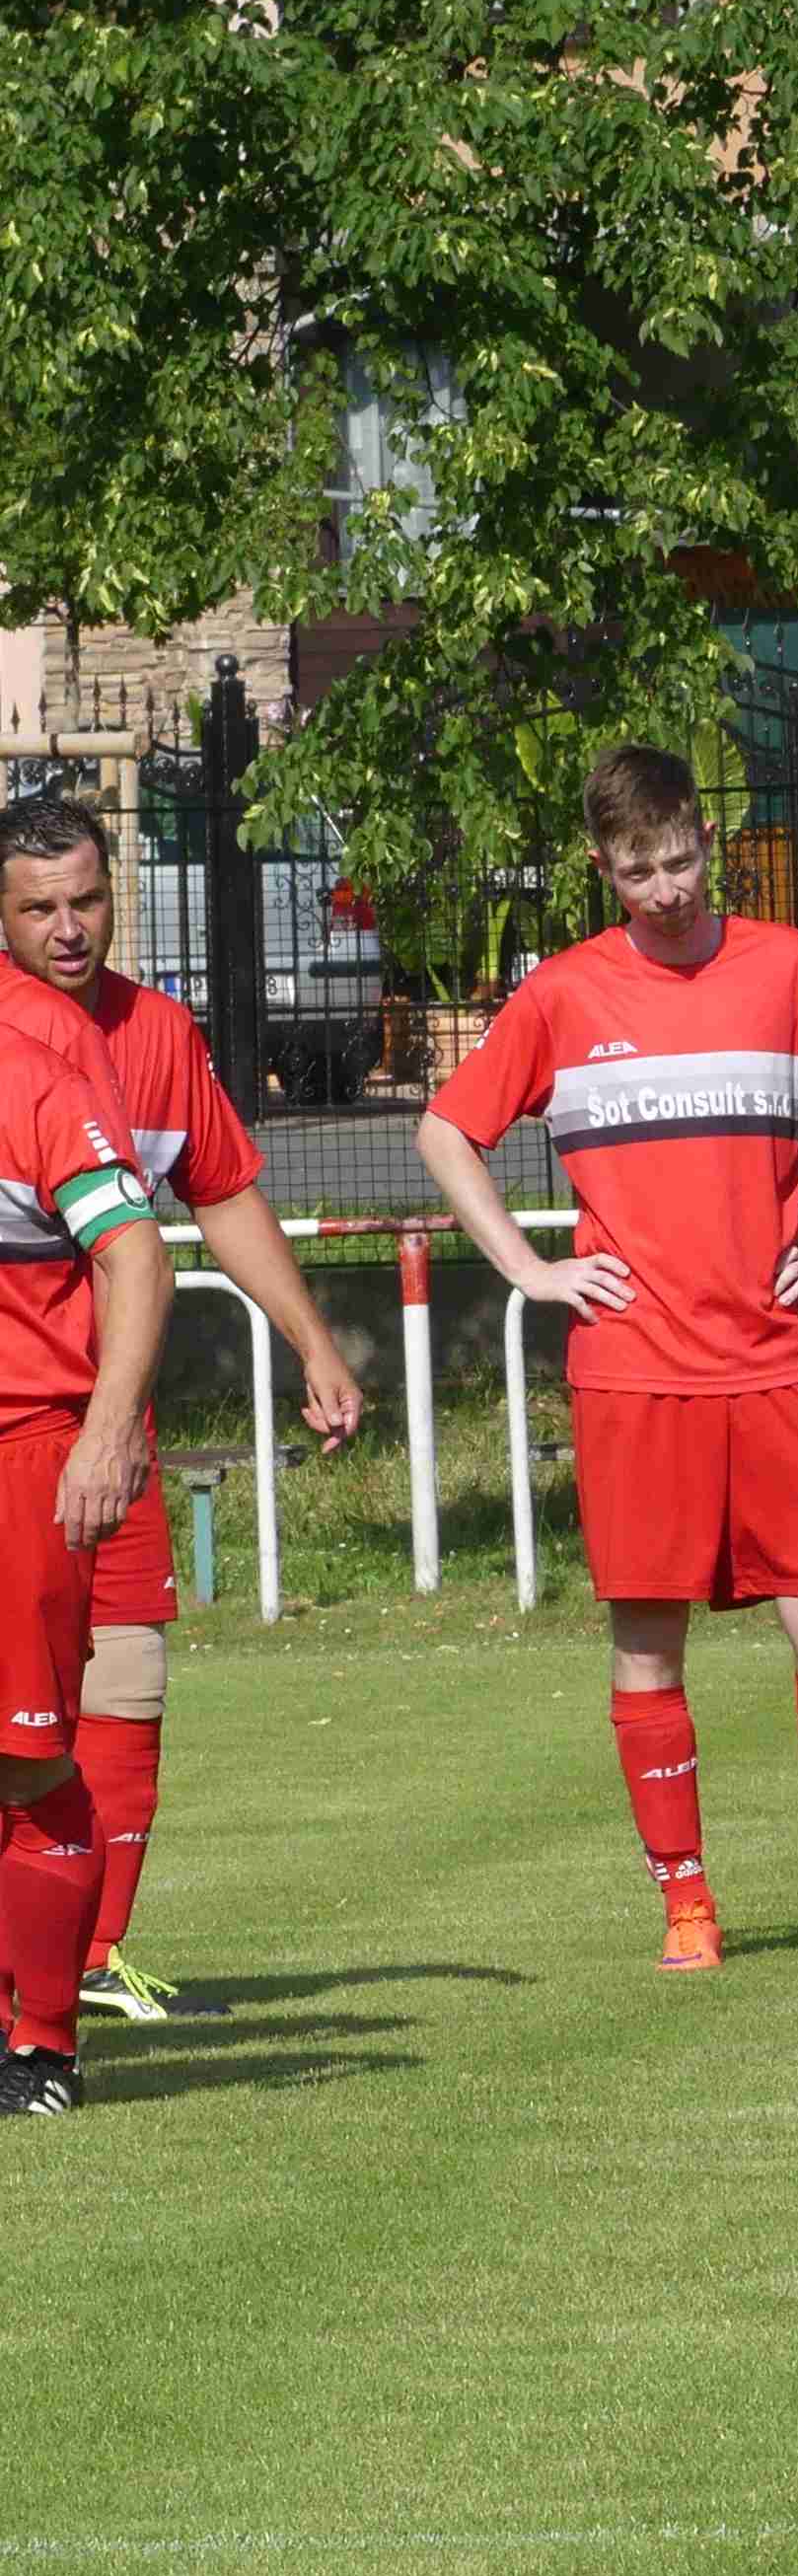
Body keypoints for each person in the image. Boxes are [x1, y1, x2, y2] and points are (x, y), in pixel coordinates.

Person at [414, 743, 798, 1974]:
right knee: (648, 1644)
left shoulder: (791, 967)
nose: (663, 889)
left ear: (709, 843)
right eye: (635, 870)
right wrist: (529, 1268)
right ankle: (688, 1908)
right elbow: (446, 1131)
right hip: (633, 1372)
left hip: (773, 1362)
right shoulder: (561, 995)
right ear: (600, 867)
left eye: (678, 861)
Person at [0, 794, 366, 2025]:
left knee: (129, 1680)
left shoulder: (155, 1032)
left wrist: (314, 1343)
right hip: (17, 1434)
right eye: (38, 909)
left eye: (87, 901)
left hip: (106, 1432)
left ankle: (87, 1963)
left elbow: (222, 1194)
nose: (67, 928)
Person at [0, 933, 168, 2115]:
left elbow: (137, 1259)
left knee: (26, 1757)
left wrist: (107, 1435)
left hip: (22, 1451)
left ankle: (45, 2044)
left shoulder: (34, 1081)